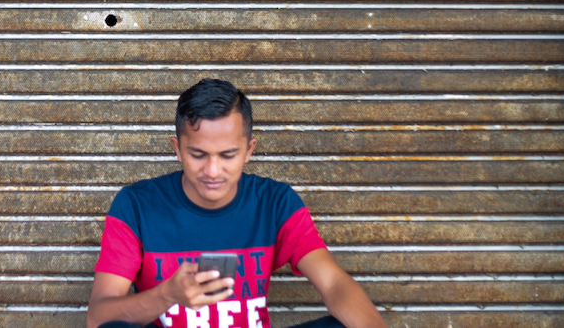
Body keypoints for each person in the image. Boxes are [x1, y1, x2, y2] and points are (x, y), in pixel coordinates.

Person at [86, 78, 388, 328]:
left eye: (228, 155)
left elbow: (334, 284)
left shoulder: (275, 202)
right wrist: (167, 294)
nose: (213, 171)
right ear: (178, 149)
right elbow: (98, 317)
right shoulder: (137, 205)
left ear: (248, 150)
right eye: (199, 154)